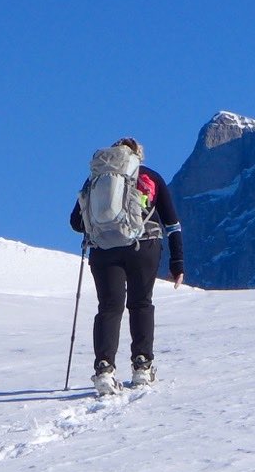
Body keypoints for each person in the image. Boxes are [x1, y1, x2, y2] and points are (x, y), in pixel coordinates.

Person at [70, 137, 183, 394]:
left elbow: (76, 222)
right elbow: (172, 224)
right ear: (137, 156)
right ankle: (142, 366)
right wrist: (177, 263)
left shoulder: (96, 179)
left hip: (103, 250)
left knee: (109, 307)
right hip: (144, 247)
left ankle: (104, 368)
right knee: (141, 303)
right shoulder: (150, 177)